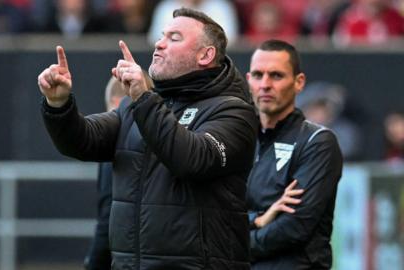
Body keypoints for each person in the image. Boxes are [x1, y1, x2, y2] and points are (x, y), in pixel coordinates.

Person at [38, 7, 258, 270]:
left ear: (205, 55)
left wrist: (144, 98)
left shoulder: (233, 111)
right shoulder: (138, 108)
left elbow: (192, 160)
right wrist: (59, 104)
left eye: (174, 38)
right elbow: (82, 140)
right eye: (162, 35)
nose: (160, 43)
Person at [245, 39, 343, 269]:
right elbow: (218, 214)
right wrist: (259, 218)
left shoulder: (317, 142)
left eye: (276, 76)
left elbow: (294, 227)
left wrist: (235, 247)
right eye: (258, 75)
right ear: (249, 81)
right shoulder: (240, 141)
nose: (265, 84)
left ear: (299, 82)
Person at [83, 77, 127, 270]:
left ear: (116, 104)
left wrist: (93, 263)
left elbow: (108, 218)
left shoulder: (118, 143)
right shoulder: (165, 137)